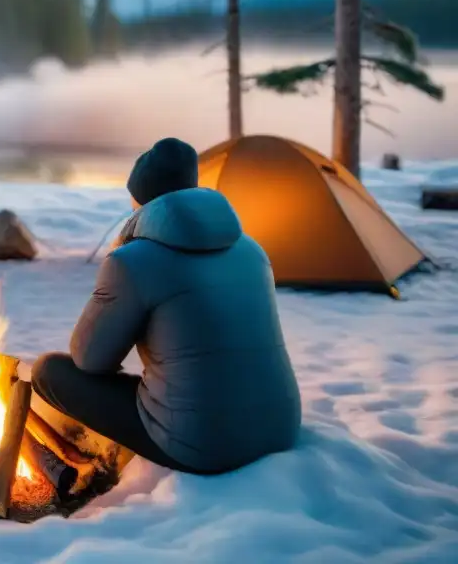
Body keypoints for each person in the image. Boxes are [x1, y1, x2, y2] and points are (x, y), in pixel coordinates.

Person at [31, 137, 301, 475]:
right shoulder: (252, 250)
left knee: (48, 371)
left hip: (203, 444)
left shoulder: (132, 261)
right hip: (280, 427)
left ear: (139, 198)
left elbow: (90, 360)